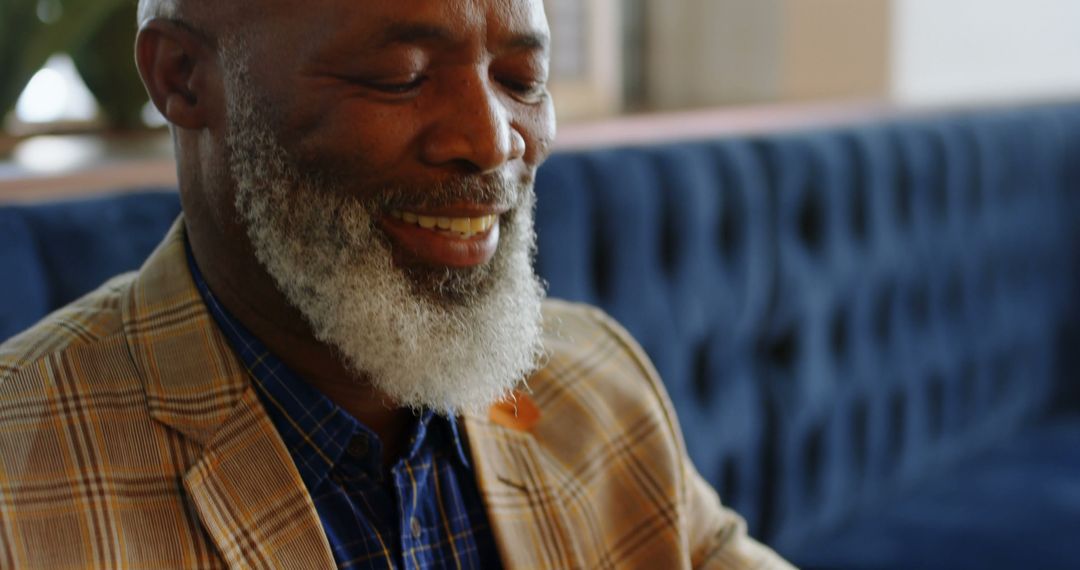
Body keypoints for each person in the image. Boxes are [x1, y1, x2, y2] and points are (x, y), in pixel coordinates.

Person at [0, 0, 793, 568]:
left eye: (521, 78)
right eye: (398, 77)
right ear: (182, 76)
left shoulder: (598, 382)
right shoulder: (18, 480)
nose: (490, 141)